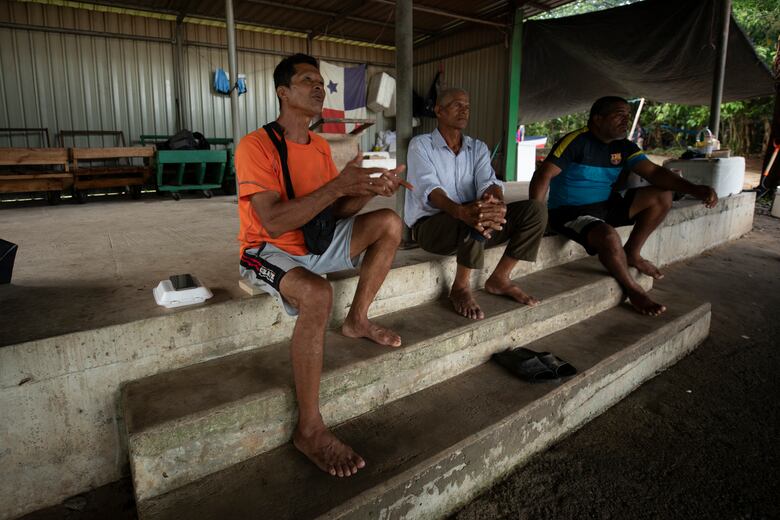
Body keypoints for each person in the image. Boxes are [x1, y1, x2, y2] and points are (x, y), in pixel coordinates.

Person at [235, 54, 407, 478]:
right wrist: (339, 184)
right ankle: (309, 429)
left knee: (389, 222)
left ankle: (358, 320)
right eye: (307, 80)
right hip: (269, 248)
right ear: (283, 93)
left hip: (315, 241)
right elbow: (273, 219)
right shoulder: (255, 146)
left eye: (321, 81)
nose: (319, 87)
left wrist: (368, 189)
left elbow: (335, 209)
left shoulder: (318, 147)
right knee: (317, 292)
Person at [530, 96, 718, 316]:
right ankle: (633, 290)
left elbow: (655, 173)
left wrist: (695, 189)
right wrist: (536, 217)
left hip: (607, 205)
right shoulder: (575, 141)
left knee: (662, 196)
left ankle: (632, 253)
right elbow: (543, 175)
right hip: (570, 212)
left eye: (627, 116)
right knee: (609, 237)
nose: (625, 121)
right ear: (598, 119)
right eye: (619, 115)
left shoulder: (624, 146)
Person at [404, 88, 547, 320]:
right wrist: (462, 211)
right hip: (432, 228)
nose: (464, 110)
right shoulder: (421, 145)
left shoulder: (477, 147)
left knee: (534, 210)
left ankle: (500, 278)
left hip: (473, 225)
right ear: (439, 111)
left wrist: (495, 201)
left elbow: (487, 182)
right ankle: (460, 287)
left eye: (467, 106)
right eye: (457, 105)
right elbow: (429, 189)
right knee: (475, 211)